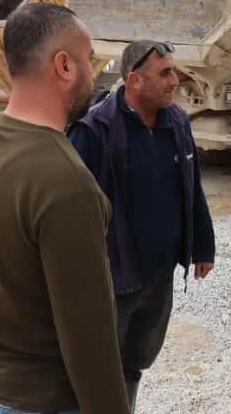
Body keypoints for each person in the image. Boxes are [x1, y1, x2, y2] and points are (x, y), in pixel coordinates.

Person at [0, 2, 130, 414]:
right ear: (64, 66)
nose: (93, 72)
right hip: (45, 401)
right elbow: (88, 337)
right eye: (88, 60)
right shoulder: (67, 183)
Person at [68, 39, 216, 412]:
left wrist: (203, 245)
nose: (175, 80)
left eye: (174, 71)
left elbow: (191, 185)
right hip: (113, 278)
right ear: (135, 80)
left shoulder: (178, 122)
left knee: (135, 363)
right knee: (99, 369)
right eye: (165, 73)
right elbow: (71, 213)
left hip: (158, 275)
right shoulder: (94, 130)